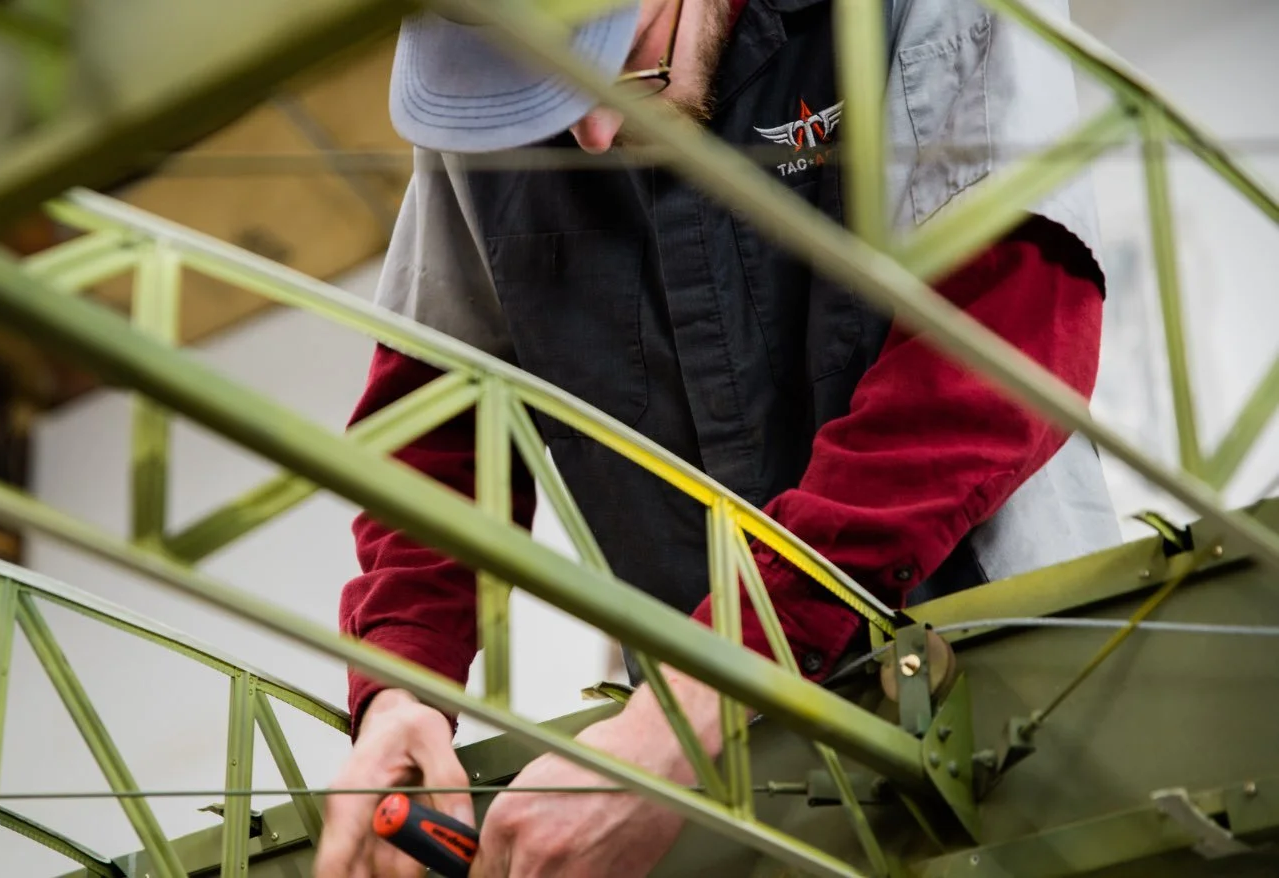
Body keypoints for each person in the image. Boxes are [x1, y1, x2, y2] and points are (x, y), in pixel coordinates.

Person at [315, 0, 1119, 874]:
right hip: (707, 776)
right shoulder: (485, 104)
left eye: (627, 61)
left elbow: (997, 350)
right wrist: (402, 690)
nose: (592, 134)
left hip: (1015, 698)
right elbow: (435, 421)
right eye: (544, 101)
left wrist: (691, 706)